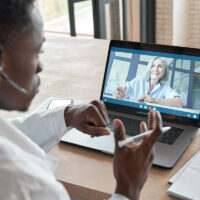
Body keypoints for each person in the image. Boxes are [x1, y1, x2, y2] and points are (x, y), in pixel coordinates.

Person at [0, 1, 163, 199]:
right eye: (36, 52)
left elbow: (9, 135)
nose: (40, 67)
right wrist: (128, 187)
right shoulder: (26, 186)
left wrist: (67, 115)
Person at [115, 57, 182, 108]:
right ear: (150, 68)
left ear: (164, 72)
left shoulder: (165, 88)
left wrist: (154, 100)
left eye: (160, 66)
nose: (155, 69)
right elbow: (123, 90)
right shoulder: (138, 81)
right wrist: (120, 93)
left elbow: (179, 103)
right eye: (153, 66)